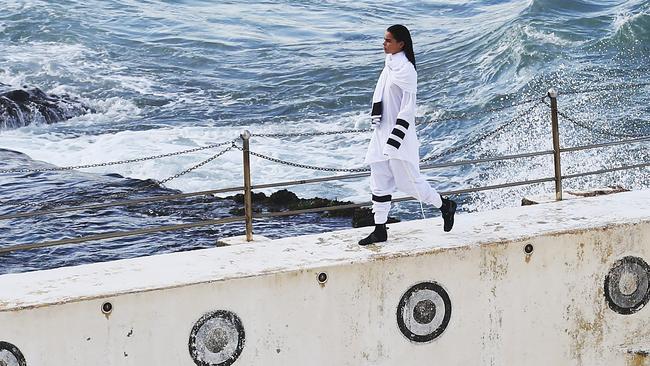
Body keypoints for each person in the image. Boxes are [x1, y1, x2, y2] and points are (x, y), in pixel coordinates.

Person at [359, 24, 457, 246]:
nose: (384, 44)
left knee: (409, 184)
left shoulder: (406, 70)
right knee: (379, 181)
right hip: (381, 132)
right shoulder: (389, 65)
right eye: (384, 40)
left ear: (401, 44)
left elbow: (407, 109)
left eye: (388, 41)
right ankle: (380, 229)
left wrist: (395, 139)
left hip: (398, 137)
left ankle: (445, 205)